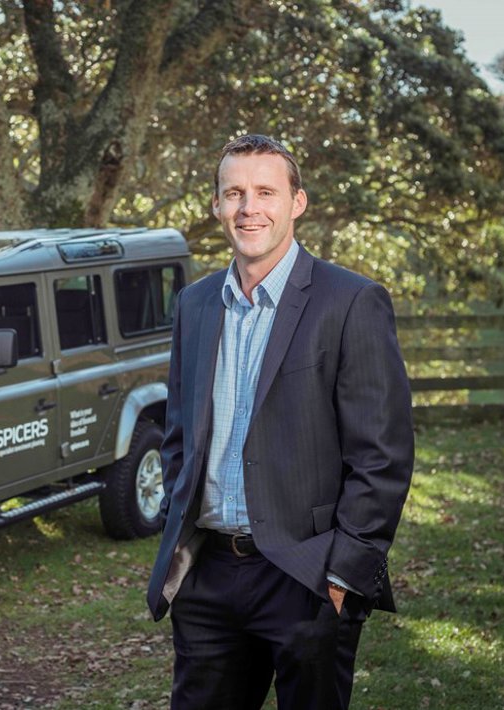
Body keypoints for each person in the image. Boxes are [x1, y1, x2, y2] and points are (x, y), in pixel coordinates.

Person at [147, 134, 414, 709]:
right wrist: (178, 521)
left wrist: (343, 575)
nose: (249, 208)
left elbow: (382, 456)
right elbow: (179, 434)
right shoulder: (195, 304)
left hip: (307, 577)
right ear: (216, 205)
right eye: (234, 193)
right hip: (208, 576)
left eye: (265, 192)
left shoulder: (350, 301)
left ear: (297, 202)